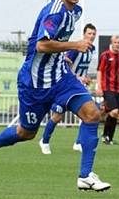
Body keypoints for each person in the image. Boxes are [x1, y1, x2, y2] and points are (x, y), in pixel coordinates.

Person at [0, 0, 110, 191]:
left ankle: (85, 176)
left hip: (60, 78)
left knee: (92, 114)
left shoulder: (76, 11)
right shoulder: (54, 11)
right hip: (35, 83)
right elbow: (42, 44)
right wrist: (75, 45)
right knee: (26, 133)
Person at [38, 23, 97, 154]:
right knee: (58, 116)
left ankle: (79, 142)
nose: (91, 36)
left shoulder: (92, 49)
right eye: (89, 33)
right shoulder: (76, 48)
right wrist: (77, 77)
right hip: (67, 85)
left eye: (93, 34)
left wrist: (85, 77)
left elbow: (84, 68)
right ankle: (44, 140)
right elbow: (65, 63)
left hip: (79, 86)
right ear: (84, 34)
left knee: (88, 113)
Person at [97, 35, 119, 144]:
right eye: (115, 42)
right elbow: (99, 71)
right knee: (114, 111)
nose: (117, 44)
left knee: (115, 113)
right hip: (107, 87)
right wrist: (99, 87)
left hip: (118, 88)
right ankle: (105, 134)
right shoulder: (105, 55)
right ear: (112, 42)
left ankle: (109, 138)